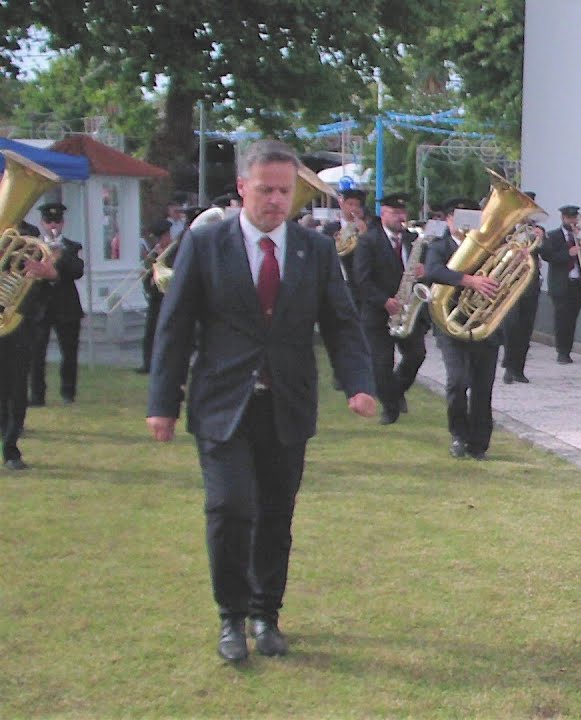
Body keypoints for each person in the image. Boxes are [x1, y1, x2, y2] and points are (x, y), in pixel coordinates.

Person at [146, 139, 376, 663]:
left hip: (286, 405)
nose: (276, 200)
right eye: (267, 189)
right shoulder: (205, 245)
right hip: (221, 404)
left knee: (275, 514)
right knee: (230, 507)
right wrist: (163, 401)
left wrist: (359, 382)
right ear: (243, 187)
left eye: (285, 190)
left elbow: (341, 324)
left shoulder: (314, 250)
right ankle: (230, 618)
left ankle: (265, 615)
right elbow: (175, 327)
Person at [425, 197, 502, 460]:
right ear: (448, 220)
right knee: (457, 382)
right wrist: (469, 280)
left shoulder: (492, 247)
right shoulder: (439, 246)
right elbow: (432, 271)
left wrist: (520, 255)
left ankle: (479, 444)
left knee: (483, 387)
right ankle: (459, 434)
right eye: (461, 217)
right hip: (451, 323)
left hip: (484, 324)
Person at [352, 192, 428, 425]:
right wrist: (384, 301)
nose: (400, 217)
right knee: (381, 363)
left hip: (407, 310)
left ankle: (395, 391)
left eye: (403, 213)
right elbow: (361, 279)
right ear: (383, 214)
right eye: (395, 213)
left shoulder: (413, 240)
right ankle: (390, 407)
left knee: (417, 355)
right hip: (378, 313)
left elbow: (422, 271)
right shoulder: (368, 241)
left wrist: (423, 273)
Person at [1, 221, 57, 470]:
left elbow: (55, 280)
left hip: (20, 330)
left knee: (16, 391)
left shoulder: (32, 251)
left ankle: (11, 449)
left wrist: (45, 273)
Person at [29, 201, 85, 406]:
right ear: (42, 223)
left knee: (69, 353)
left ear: (63, 222)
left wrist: (57, 263)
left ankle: (68, 394)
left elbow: (78, 271)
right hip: (40, 307)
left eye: (57, 221)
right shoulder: (33, 246)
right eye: (49, 221)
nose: (53, 225)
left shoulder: (72, 246)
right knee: (36, 354)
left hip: (67, 307)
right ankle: (37, 396)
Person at [501, 190, 544, 384]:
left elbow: (548, 253)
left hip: (530, 283)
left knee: (526, 328)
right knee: (512, 326)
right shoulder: (507, 229)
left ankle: (519, 369)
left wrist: (541, 240)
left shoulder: (536, 230)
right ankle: (509, 367)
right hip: (510, 283)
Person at [542, 204, 581, 363]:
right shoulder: (553, 236)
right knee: (562, 319)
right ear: (563, 218)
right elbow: (548, 256)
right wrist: (568, 254)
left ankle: (567, 349)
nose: (572, 221)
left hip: (577, 283)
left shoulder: (580, 237)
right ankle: (562, 352)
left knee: (572, 318)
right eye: (569, 218)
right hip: (561, 284)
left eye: (574, 218)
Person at [135, 219, 175, 374]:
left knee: (168, 332)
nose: (160, 242)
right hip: (155, 298)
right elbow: (148, 275)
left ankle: (167, 364)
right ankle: (148, 364)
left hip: (168, 298)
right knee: (150, 332)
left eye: (161, 238)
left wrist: (161, 259)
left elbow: (171, 274)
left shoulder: (175, 251)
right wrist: (146, 275)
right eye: (157, 239)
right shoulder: (154, 253)